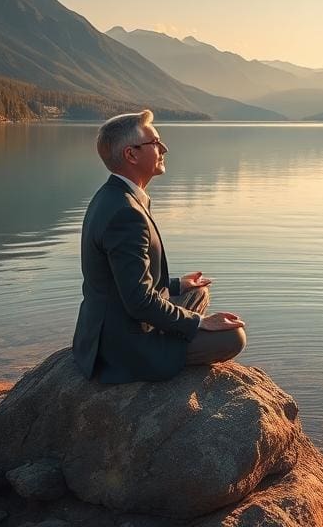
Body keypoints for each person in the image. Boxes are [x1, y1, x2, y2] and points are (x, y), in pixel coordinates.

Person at [72, 109, 245, 383]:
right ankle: (167, 347)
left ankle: (176, 328)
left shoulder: (115, 195)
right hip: (122, 346)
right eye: (155, 142)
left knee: (198, 293)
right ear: (131, 154)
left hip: (113, 322)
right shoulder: (125, 213)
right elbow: (139, 302)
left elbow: (123, 282)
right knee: (233, 337)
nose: (164, 148)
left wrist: (178, 285)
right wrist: (201, 323)